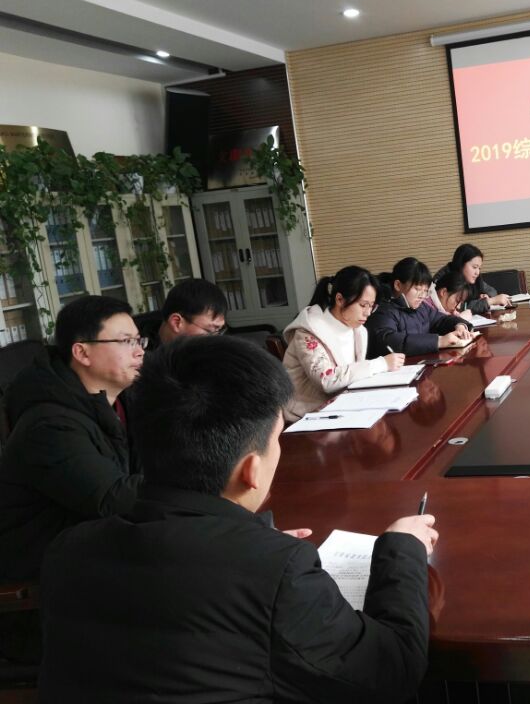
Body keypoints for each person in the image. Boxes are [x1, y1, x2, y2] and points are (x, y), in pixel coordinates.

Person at [40, 335, 438, 702]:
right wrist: (403, 549)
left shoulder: (68, 551)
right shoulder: (276, 574)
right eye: (277, 440)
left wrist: (254, 548)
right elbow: (394, 668)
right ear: (251, 470)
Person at [0, 296, 144, 585]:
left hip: (96, 541)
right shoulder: (48, 424)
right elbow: (110, 498)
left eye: (140, 340)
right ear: (82, 353)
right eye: (126, 341)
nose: (139, 351)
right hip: (47, 562)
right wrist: (196, 478)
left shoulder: (124, 400)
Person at [281, 266, 405, 421]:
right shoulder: (309, 330)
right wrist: (381, 364)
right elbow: (326, 380)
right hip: (306, 416)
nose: (368, 312)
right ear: (340, 299)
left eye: (372, 306)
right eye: (363, 305)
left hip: (341, 407)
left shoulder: (358, 329)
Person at [366, 257, 474, 356]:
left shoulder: (421, 307)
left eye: (425, 290)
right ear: (398, 285)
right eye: (417, 289)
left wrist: (459, 325)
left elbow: (441, 319)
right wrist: (439, 341)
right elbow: (389, 341)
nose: (422, 296)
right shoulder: (382, 310)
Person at [136, 278, 228, 349]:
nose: (217, 340)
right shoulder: (137, 357)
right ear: (176, 322)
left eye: (220, 330)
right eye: (210, 331)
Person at [433, 244, 510, 315]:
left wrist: (486, 296)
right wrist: (490, 301)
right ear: (461, 264)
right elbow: (459, 307)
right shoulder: (446, 279)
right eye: (474, 267)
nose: (477, 272)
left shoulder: (472, 277)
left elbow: (491, 291)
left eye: (479, 268)